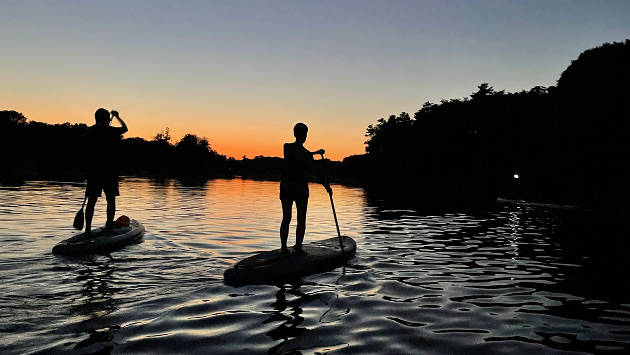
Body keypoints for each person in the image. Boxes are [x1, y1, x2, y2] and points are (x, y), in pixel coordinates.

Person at [280, 122, 332, 255]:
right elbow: (315, 172)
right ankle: (297, 248)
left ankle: (285, 248)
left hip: (287, 186)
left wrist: (313, 153)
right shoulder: (304, 154)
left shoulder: (287, 147)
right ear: (305, 136)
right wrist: (326, 186)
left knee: (287, 217)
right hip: (299, 188)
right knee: (300, 218)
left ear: (294, 134)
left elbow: (298, 156)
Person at [84, 108, 128, 235]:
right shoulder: (110, 131)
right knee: (111, 200)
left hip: (93, 171)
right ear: (104, 119)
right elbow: (125, 128)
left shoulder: (89, 131)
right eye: (108, 118)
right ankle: (109, 226)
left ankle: (87, 230)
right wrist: (117, 117)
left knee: (91, 201)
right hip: (109, 171)